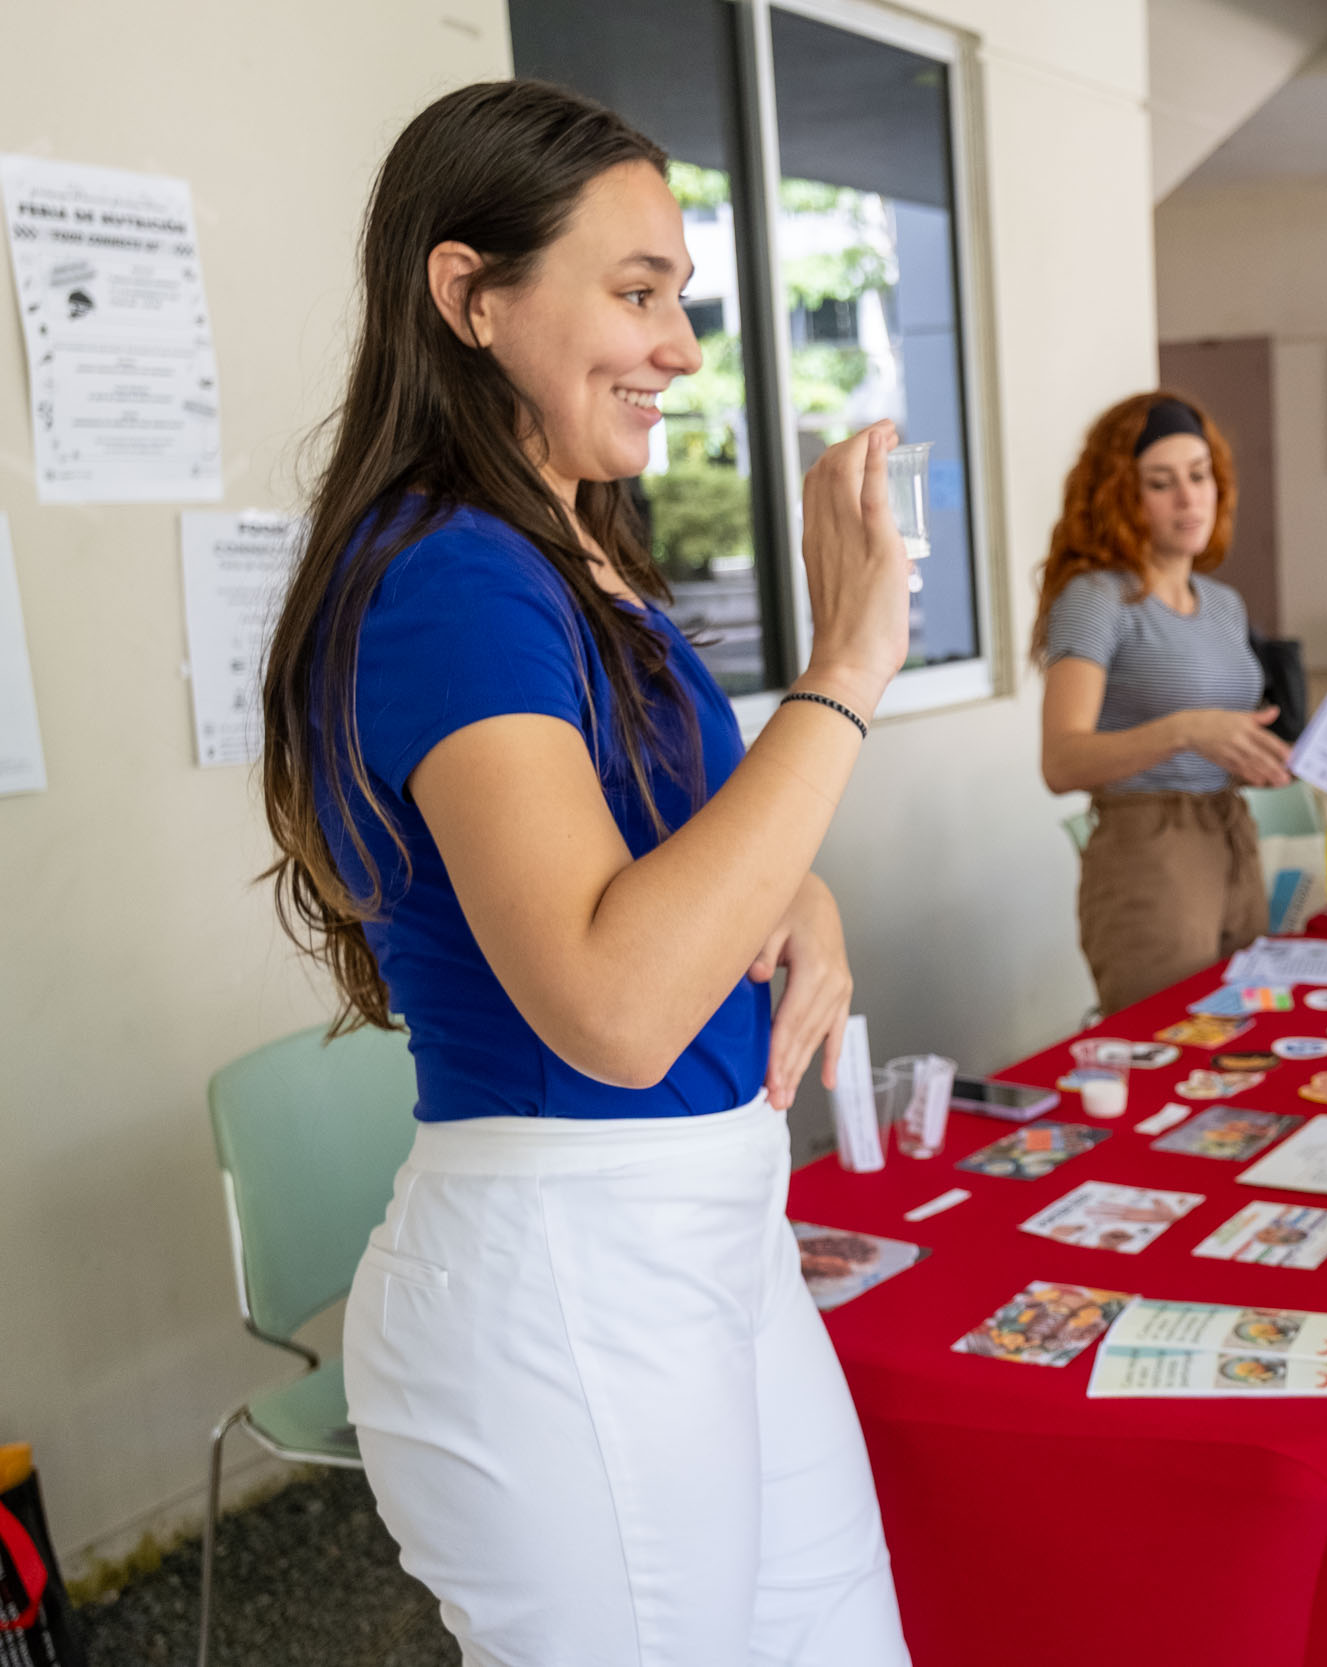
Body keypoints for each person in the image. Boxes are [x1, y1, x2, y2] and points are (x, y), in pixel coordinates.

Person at [257, 83, 912, 1664]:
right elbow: (613, 1002)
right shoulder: (451, 576)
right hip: (570, 1266)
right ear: (470, 295)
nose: (679, 346)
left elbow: (676, 852)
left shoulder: (575, 554)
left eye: (677, 297)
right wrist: (842, 673)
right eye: (635, 292)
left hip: (710, 1228)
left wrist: (798, 892)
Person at [1036, 393, 1327, 1016]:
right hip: (1148, 851)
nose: (1189, 499)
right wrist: (1183, 730)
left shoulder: (1223, 604)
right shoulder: (1095, 599)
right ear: (1119, 496)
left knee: (1240, 1041)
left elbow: (1224, 743)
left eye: (1199, 476)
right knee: (1166, 1039)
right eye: (1161, 483)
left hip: (1233, 837)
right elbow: (1061, 762)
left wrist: (1323, 759)